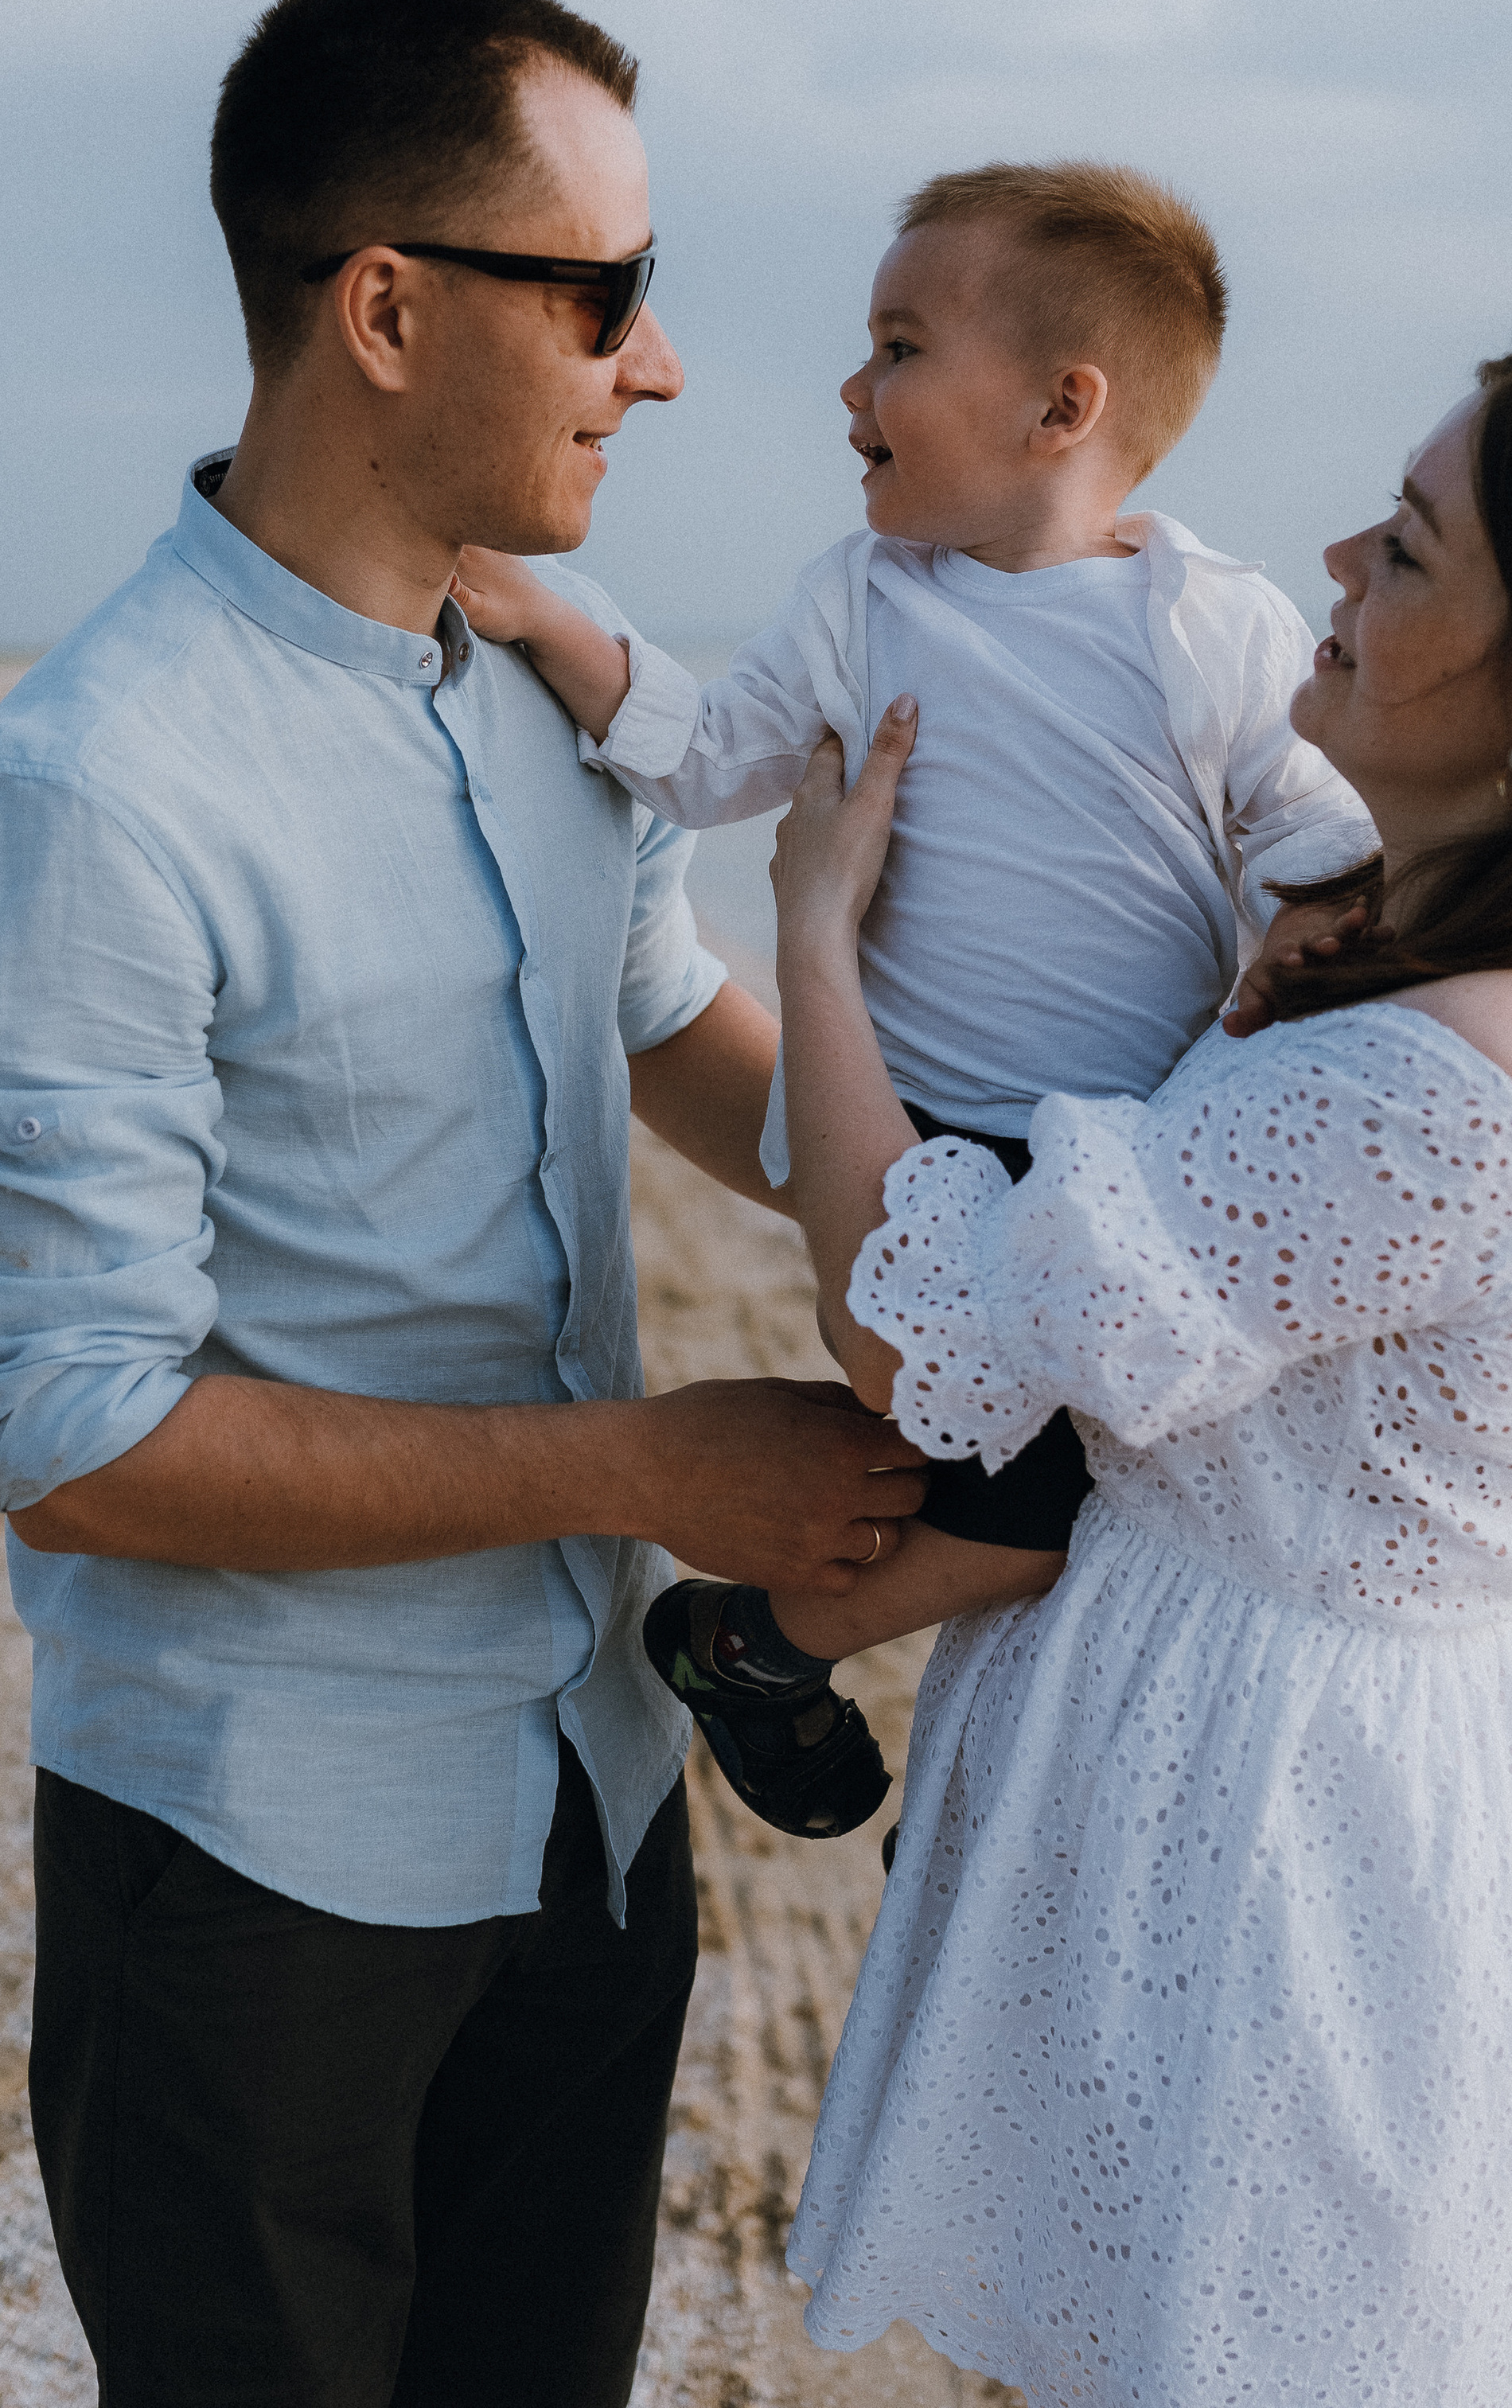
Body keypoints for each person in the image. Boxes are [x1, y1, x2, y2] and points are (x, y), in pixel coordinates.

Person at [0, 0, 929, 2408]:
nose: (657, 362)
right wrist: (658, 1468)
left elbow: (661, 1027)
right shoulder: (93, 792)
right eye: (611, 296)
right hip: (262, 1870)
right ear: (384, 307)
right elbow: (80, 1434)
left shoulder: (562, 674)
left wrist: (1021, 1224)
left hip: (594, 1791)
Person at [760, 341, 1512, 2406]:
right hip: (1271, 1784)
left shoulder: (1452, 1073)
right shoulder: (1463, 977)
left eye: (1415, 547)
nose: (1338, 551)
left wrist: (815, 938)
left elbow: (929, 1347)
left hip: (1285, 1872)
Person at [450, 162, 1374, 1841]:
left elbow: (1307, 826)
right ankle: (749, 1644)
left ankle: (848, 1666)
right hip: (916, 1140)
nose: (848, 391)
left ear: (1056, 407)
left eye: (894, 348)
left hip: (1130, 1154)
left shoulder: (1210, 620)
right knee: (1018, 1520)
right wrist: (536, 614)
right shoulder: (857, 604)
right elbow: (709, 758)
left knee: (1129, 1497)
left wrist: (1318, 927)